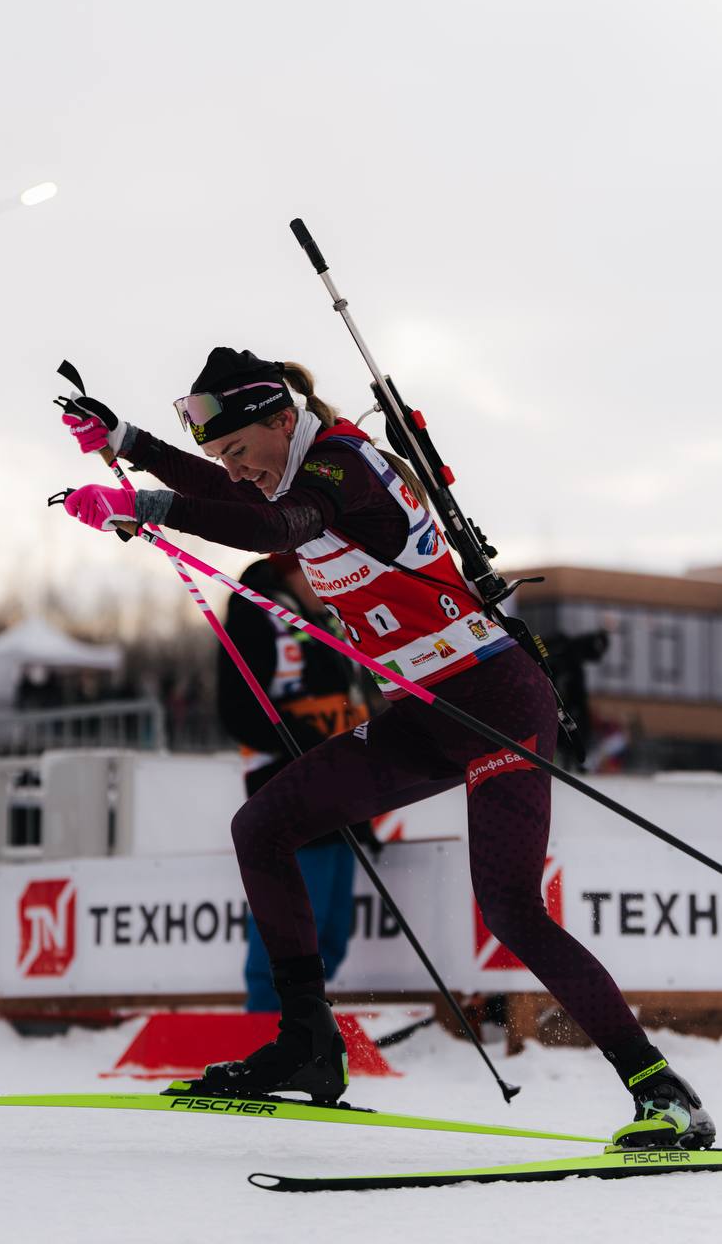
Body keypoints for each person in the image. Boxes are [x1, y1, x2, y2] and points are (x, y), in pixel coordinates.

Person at [62, 347, 714, 1147]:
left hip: (496, 700)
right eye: (218, 457)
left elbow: (268, 523)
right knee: (262, 827)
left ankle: (664, 1095)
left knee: (509, 909)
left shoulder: (343, 467)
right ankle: (307, 1045)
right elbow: (234, 496)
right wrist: (123, 438)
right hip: (427, 709)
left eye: (238, 452)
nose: (233, 470)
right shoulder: (290, 464)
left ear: (280, 420)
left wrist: (149, 504)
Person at [217, 551, 379, 1011]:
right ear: (297, 569)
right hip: (288, 786)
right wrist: (302, 743)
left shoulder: (325, 619)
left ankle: (308, 1025)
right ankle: (271, 1023)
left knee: (330, 934)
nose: (329, 586)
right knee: (290, 928)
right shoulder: (259, 611)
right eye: (320, 576)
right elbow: (238, 710)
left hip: (340, 791)